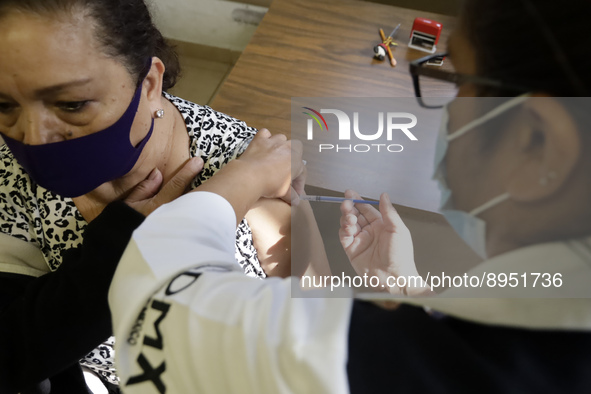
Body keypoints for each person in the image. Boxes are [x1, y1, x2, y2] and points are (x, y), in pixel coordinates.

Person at [108, 0, 591, 392]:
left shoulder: (382, 366)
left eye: (461, 82)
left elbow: (152, 302)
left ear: (536, 141)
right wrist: (407, 297)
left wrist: (243, 178)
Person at [0, 0, 297, 392]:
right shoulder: (8, 176)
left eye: (72, 105)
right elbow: (15, 348)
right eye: (4, 105)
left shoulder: (239, 162)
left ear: (151, 84)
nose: (34, 138)